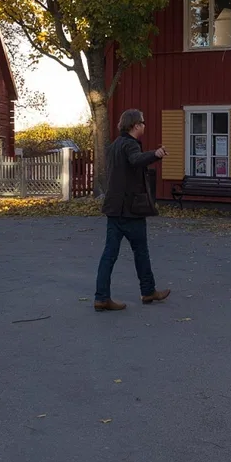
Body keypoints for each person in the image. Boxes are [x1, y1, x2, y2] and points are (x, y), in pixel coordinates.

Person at [94, 109, 170, 311]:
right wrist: (156, 153)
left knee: (109, 254)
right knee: (141, 251)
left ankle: (101, 297)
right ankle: (148, 291)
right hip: (130, 209)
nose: (145, 126)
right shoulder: (130, 144)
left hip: (114, 208)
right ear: (135, 125)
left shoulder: (113, 146)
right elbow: (136, 159)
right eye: (143, 123)